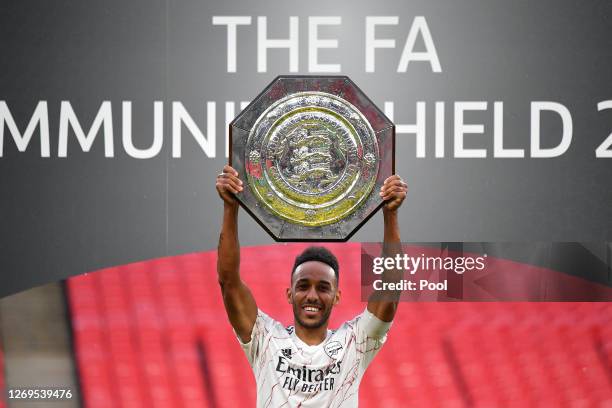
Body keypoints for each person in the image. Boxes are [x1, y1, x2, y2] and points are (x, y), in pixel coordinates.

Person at [215, 164, 407, 407]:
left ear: (337, 296)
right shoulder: (265, 339)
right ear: (289, 293)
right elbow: (228, 280)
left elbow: (390, 289)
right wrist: (230, 208)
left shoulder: (354, 343)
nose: (312, 295)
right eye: (303, 286)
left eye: (323, 287)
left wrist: (390, 215)